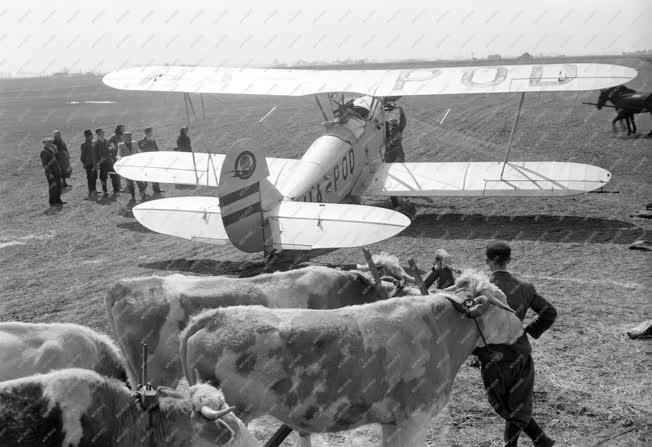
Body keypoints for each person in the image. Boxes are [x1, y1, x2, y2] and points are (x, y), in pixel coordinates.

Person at [475, 241, 557, 447]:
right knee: (517, 401)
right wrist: (528, 331)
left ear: (488, 260)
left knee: (507, 404)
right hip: (520, 352)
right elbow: (549, 312)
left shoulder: (479, 288)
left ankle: (531, 443)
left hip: (494, 354)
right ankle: (541, 441)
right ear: (509, 260)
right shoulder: (525, 288)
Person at [383, 102, 406, 208]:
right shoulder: (385, 129)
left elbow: (403, 121)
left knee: (398, 176)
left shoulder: (399, 128)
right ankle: (395, 200)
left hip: (397, 156)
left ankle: (400, 198)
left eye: (394, 120)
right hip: (389, 156)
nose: (393, 120)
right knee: (390, 178)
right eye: (392, 120)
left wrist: (401, 110)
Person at [117, 132, 145, 201]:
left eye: (130, 136)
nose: (130, 137)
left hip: (135, 166)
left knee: (139, 181)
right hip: (127, 167)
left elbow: (138, 152)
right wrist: (119, 158)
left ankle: (142, 194)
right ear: (124, 137)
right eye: (128, 136)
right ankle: (133, 196)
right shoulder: (121, 145)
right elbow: (119, 154)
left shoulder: (134, 143)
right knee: (130, 183)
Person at [40, 138, 65, 207]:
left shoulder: (51, 150)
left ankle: (58, 200)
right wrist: (50, 173)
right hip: (52, 173)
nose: (50, 143)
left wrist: (55, 149)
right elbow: (45, 165)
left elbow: (59, 156)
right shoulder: (43, 152)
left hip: (57, 171)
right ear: (45, 143)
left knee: (59, 187)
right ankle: (53, 202)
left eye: (50, 142)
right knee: (53, 188)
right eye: (48, 142)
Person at [137, 127, 162, 195]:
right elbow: (140, 148)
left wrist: (159, 156)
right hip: (146, 161)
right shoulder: (141, 141)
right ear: (147, 133)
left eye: (151, 132)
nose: (151, 133)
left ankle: (156, 189)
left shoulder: (153, 140)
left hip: (154, 160)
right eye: (150, 132)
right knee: (146, 176)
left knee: (155, 174)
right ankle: (143, 191)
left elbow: (156, 149)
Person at [95, 128, 120, 195]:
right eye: (101, 133)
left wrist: (111, 149)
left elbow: (111, 148)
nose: (103, 134)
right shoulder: (96, 143)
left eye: (103, 132)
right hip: (102, 162)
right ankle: (105, 190)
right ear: (97, 134)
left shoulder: (106, 140)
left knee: (114, 175)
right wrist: (98, 163)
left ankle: (116, 190)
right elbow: (95, 153)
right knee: (103, 178)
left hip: (109, 161)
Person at [80, 129, 99, 196]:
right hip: (89, 164)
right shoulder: (84, 144)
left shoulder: (93, 143)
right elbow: (82, 156)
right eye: (91, 135)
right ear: (88, 136)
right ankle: (91, 191)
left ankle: (94, 189)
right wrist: (85, 163)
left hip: (94, 163)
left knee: (95, 177)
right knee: (90, 177)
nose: (93, 136)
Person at [108, 125, 125, 190]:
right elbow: (107, 142)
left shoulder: (124, 135)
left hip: (125, 155)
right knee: (118, 171)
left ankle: (128, 184)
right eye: (122, 128)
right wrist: (112, 148)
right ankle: (119, 186)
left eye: (124, 128)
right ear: (119, 129)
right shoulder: (114, 136)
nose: (123, 130)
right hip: (117, 155)